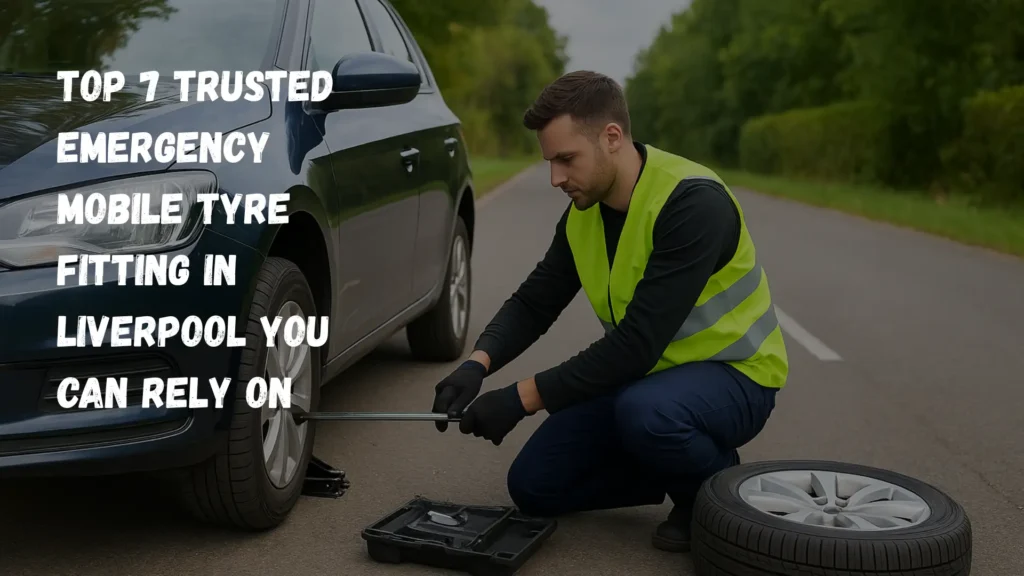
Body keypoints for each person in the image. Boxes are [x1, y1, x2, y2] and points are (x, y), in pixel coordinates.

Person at [431, 70, 788, 553]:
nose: (556, 178)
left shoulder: (695, 205)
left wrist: (520, 398)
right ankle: (669, 463)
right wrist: (478, 363)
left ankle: (710, 488)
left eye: (566, 159)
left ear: (612, 137)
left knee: (647, 414)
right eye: (549, 162)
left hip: (735, 377)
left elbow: (636, 345)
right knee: (535, 486)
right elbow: (536, 301)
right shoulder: (584, 213)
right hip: (645, 381)